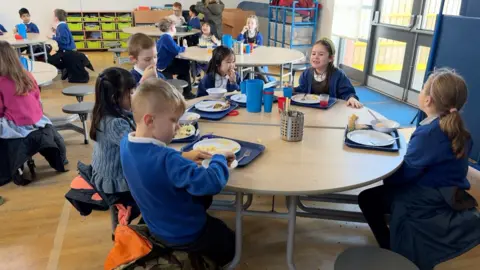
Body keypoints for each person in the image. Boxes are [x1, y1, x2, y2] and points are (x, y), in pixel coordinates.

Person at [358, 69, 480, 269]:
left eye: (423, 88)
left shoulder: (430, 134)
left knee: (367, 198)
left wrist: (382, 172)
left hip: (428, 196)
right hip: (450, 192)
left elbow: (404, 176)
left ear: (429, 100)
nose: (420, 91)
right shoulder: (458, 130)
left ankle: (390, 250)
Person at [120, 78, 236, 267]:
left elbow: (152, 160)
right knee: (230, 243)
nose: (179, 127)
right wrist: (220, 158)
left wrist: (184, 155)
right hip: (184, 232)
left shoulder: (126, 144)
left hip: (156, 223)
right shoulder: (167, 160)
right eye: (174, 121)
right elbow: (212, 181)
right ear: (150, 120)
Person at [0, 41, 66, 186]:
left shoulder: (1, 82)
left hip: (19, 125)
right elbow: (37, 97)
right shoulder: (27, 75)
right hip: (37, 119)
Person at [89, 67, 140, 231]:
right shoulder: (115, 124)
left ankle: (119, 225)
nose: (134, 96)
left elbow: (130, 119)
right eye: (130, 93)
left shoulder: (102, 111)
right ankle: (123, 229)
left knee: (120, 208)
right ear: (115, 97)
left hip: (103, 173)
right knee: (149, 193)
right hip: (115, 181)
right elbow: (136, 147)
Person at [295, 37, 362, 108]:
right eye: (313, 54)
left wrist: (351, 98)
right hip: (312, 109)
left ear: (330, 58)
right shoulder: (306, 73)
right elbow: (302, 90)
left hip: (332, 111)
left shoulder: (338, 75)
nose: (316, 57)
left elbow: (347, 92)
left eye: (321, 54)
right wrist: (293, 89)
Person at [156, 18, 194, 99]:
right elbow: (176, 50)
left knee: (183, 64)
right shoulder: (167, 38)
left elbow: (174, 48)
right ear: (172, 28)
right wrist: (184, 47)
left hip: (163, 64)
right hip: (164, 67)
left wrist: (181, 48)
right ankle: (187, 92)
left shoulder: (163, 37)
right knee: (185, 65)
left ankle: (186, 89)